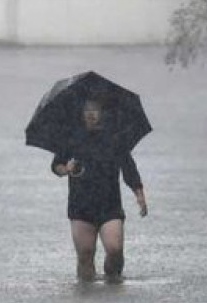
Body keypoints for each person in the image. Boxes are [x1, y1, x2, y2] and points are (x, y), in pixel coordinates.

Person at [52, 99, 147, 283]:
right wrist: (67, 168)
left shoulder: (115, 138)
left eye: (95, 109)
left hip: (109, 206)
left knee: (114, 249)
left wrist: (140, 195)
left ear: (102, 113)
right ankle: (87, 295)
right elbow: (56, 166)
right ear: (81, 113)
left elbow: (129, 169)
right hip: (81, 206)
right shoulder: (71, 137)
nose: (91, 113)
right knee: (85, 255)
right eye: (87, 109)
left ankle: (113, 282)